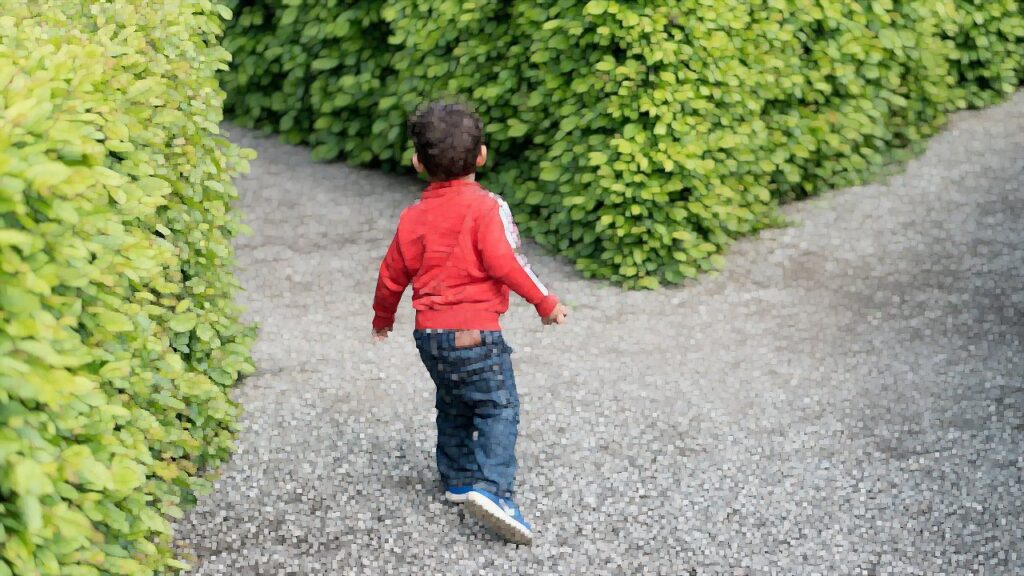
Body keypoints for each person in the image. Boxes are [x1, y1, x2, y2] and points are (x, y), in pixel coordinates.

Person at [371, 99, 568, 545]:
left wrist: (383, 318)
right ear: (481, 155)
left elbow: (391, 275)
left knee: (454, 400)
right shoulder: (486, 207)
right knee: (499, 407)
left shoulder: (413, 217)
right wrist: (545, 302)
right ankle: (494, 490)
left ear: (418, 162)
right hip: (475, 333)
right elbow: (508, 262)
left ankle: (458, 480)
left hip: (429, 335)